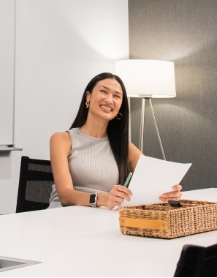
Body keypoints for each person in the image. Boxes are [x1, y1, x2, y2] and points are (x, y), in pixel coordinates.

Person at [49, 72, 182, 209]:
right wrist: (103, 199)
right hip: (62, 217)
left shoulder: (124, 147)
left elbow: (154, 180)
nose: (109, 99)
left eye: (116, 96)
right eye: (103, 91)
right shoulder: (61, 139)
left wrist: (169, 192)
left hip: (100, 219)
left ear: (120, 106)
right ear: (88, 96)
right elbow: (65, 196)